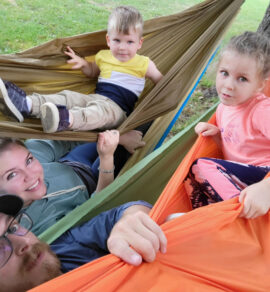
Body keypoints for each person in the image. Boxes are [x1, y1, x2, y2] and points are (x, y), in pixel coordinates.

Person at [0, 6, 163, 133]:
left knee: (99, 113)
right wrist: (83, 64)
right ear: (108, 40)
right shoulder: (103, 56)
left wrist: (160, 100)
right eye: (117, 40)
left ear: (139, 43)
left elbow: (162, 82)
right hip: (95, 97)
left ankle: (66, 119)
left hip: (117, 111)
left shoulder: (144, 63)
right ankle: (26, 105)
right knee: (68, 97)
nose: (122, 47)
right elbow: (93, 72)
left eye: (129, 42)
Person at [0, 194, 167, 292]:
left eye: (13, 228)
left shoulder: (67, 246)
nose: (24, 243)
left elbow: (127, 211)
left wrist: (129, 223)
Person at [185, 31, 270, 219]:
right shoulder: (224, 108)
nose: (229, 85)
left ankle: (233, 214)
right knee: (191, 182)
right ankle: (207, 218)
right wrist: (217, 136)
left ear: (259, 86)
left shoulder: (261, 110)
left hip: (263, 178)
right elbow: (239, 147)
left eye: (242, 79)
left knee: (202, 166)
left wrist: (267, 187)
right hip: (240, 177)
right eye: (224, 73)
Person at [0, 129, 145, 235]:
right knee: (138, 137)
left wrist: (119, 135)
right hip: (98, 185)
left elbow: (68, 138)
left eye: (29, 160)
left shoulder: (24, 151)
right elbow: (98, 209)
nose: (30, 175)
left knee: (125, 128)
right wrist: (106, 158)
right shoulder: (34, 228)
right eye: (12, 175)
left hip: (74, 162)